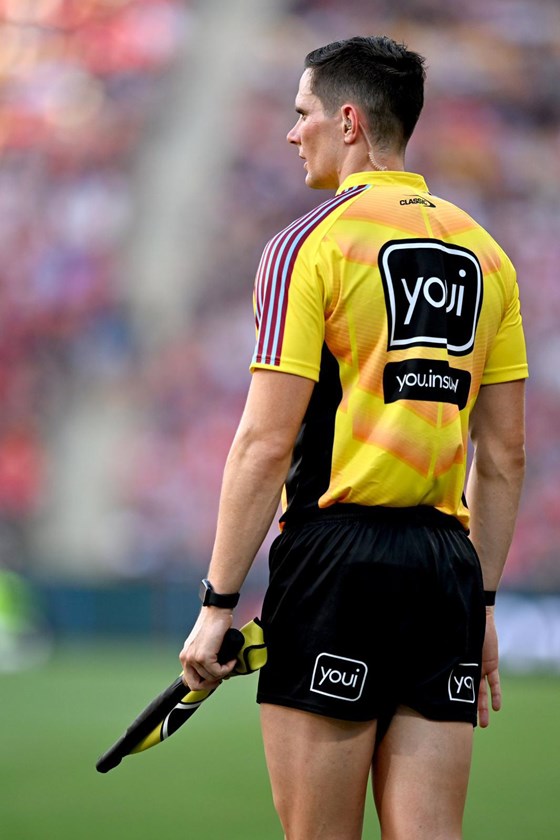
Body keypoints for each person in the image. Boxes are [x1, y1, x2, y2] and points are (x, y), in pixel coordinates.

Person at [180, 35, 527, 839]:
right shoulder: (490, 255)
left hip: (338, 564)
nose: (290, 134)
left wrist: (217, 605)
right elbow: (505, 456)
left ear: (347, 122)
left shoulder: (308, 244)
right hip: (446, 571)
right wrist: (480, 604)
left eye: (301, 115)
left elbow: (264, 444)